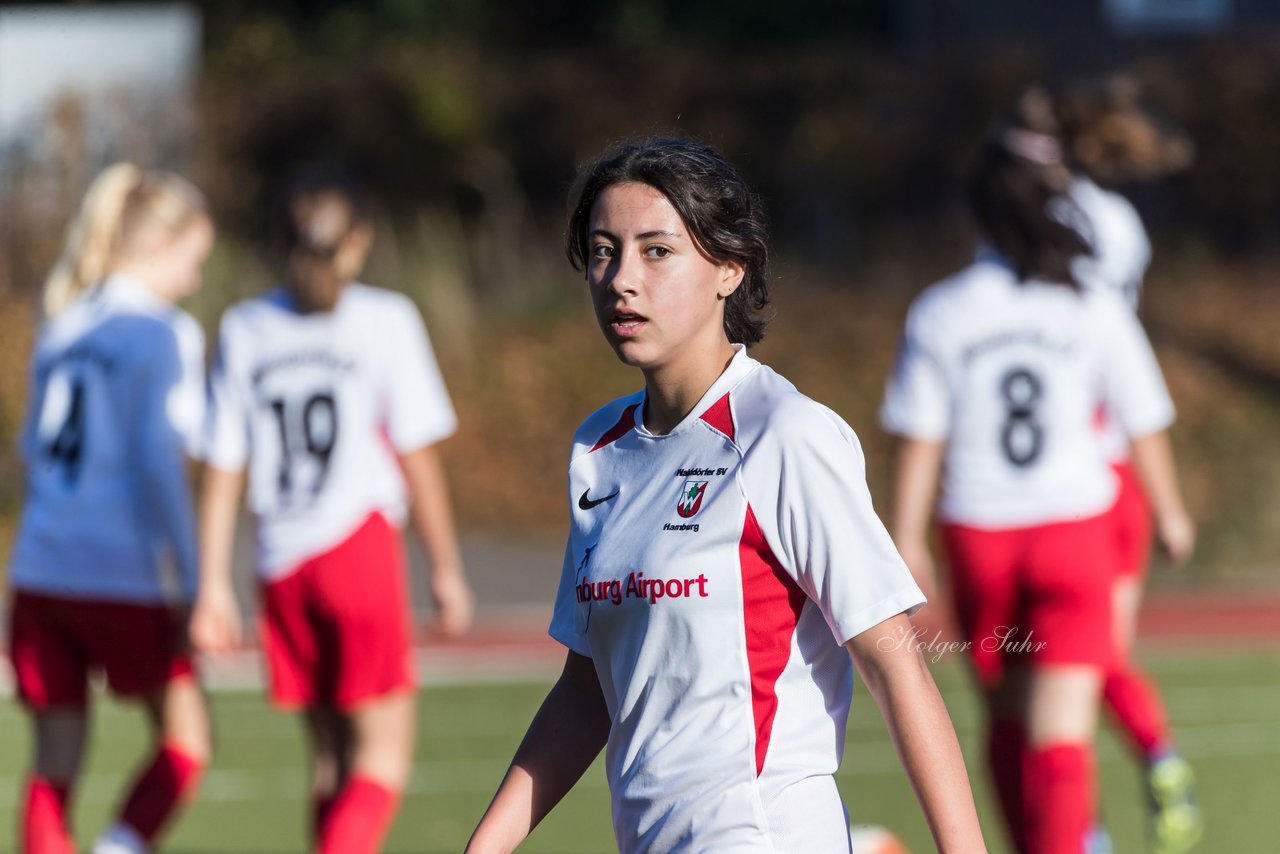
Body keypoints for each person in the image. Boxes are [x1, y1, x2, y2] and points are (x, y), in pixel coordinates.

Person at [466, 137, 987, 853]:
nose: (621, 279)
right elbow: (586, 688)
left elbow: (893, 661)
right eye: (602, 250)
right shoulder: (597, 451)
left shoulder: (784, 435)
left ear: (729, 269)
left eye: (656, 251)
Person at [880, 117, 1194, 854]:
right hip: (1074, 537)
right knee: (1062, 736)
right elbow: (1141, 417)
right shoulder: (1091, 305)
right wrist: (1173, 513)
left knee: (1007, 724)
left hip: (979, 539)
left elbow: (921, 441)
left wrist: (905, 539)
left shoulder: (942, 310)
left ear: (980, 207)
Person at [191, 168, 473, 854]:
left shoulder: (245, 325)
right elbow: (417, 460)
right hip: (357, 553)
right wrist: (445, 569)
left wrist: (212, 586)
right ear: (359, 242)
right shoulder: (386, 319)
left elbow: (224, 470)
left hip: (280, 566)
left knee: (329, 764)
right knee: (380, 761)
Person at [6, 163, 214, 854]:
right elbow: (160, 463)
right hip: (116, 571)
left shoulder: (63, 323)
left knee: (52, 766)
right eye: (194, 260)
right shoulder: (162, 331)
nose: (195, 280)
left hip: (40, 568)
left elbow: (31, 447)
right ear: (159, 243)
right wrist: (193, 579)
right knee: (186, 743)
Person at [1023, 82, 1203, 853]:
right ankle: (1158, 756)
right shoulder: (1122, 222)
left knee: (1048, 686)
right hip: (1116, 470)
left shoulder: (1041, 223)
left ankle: (1082, 834)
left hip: (1056, 484)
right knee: (1089, 659)